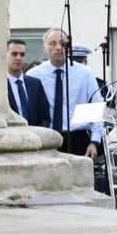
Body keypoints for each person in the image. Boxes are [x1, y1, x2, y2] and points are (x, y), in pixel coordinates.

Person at [27, 28, 103, 158]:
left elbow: (97, 107)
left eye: (63, 44)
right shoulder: (33, 75)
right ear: (45, 48)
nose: (58, 47)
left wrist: (95, 141)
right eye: (52, 43)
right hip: (47, 139)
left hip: (78, 139)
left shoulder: (85, 74)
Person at [6, 38, 50, 128]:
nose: (18, 58)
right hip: (11, 137)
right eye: (14, 54)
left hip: (36, 137)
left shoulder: (35, 84)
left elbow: (45, 116)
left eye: (22, 55)